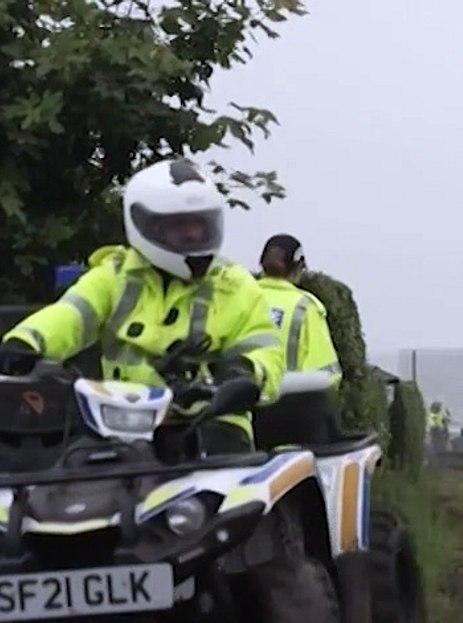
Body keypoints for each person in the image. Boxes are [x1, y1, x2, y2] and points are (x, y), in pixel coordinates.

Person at [0, 157, 284, 454]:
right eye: (180, 226)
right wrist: (25, 341)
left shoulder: (235, 284)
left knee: (220, 478)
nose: (192, 235)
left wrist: (243, 372)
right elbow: (71, 314)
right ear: (148, 226)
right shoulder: (115, 275)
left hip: (213, 423)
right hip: (122, 423)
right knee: (71, 469)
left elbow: (266, 350)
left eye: (200, 225)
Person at [251, 233, 342, 448]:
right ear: (298, 267)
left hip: (241, 415)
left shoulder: (241, 299)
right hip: (293, 421)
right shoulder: (305, 307)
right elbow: (327, 375)